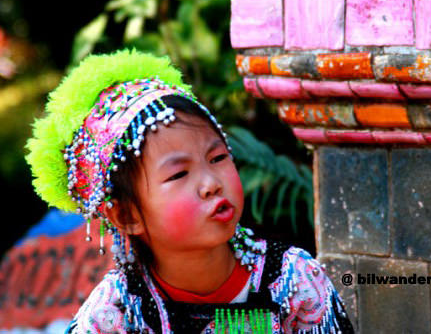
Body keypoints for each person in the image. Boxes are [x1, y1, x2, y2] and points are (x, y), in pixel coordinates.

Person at [26, 49, 354, 333]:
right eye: (179, 173)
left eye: (217, 157)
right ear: (126, 215)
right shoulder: (112, 317)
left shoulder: (293, 281)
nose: (211, 183)